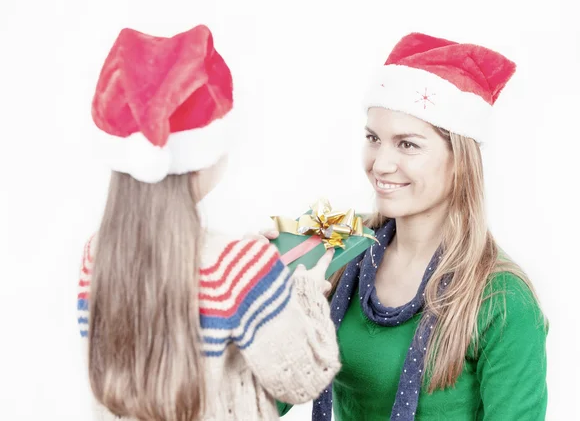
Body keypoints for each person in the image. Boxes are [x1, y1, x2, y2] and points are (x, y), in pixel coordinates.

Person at [268, 33, 548, 420]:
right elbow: (263, 400)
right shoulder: (335, 249)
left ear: (460, 161)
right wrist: (260, 293)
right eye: (373, 138)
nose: (380, 164)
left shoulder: (503, 300)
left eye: (407, 145)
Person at [76, 24, 340, 421]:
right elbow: (302, 379)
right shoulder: (240, 266)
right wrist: (303, 294)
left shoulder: (98, 253)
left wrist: (245, 268)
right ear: (202, 157)